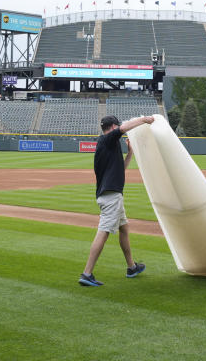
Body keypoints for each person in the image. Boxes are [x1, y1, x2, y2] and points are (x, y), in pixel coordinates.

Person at [79, 114, 155, 287]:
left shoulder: (107, 145)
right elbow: (124, 128)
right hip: (111, 196)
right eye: (117, 127)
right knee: (104, 231)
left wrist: (129, 153)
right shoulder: (107, 139)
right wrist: (145, 119)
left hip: (111, 195)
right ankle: (87, 273)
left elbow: (121, 169)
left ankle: (131, 267)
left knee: (124, 229)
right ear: (112, 127)